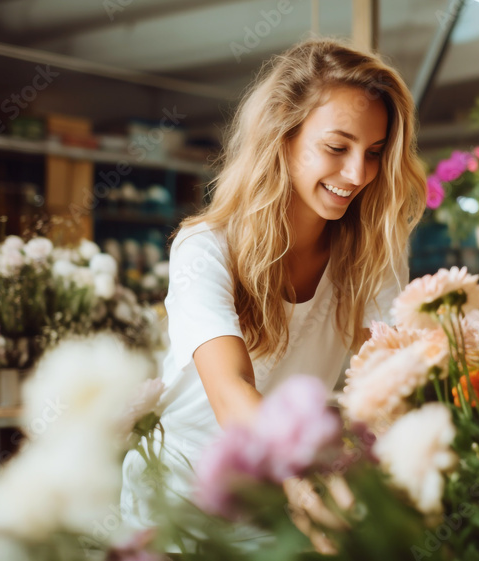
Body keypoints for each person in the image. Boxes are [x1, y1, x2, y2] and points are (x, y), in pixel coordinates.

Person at [119, 37, 426, 549]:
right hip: (183, 510)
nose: (358, 174)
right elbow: (231, 392)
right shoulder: (205, 248)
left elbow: (381, 384)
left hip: (288, 512)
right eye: (336, 147)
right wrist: (312, 486)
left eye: (373, 153)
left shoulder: (374, 257)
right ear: (283, 136)